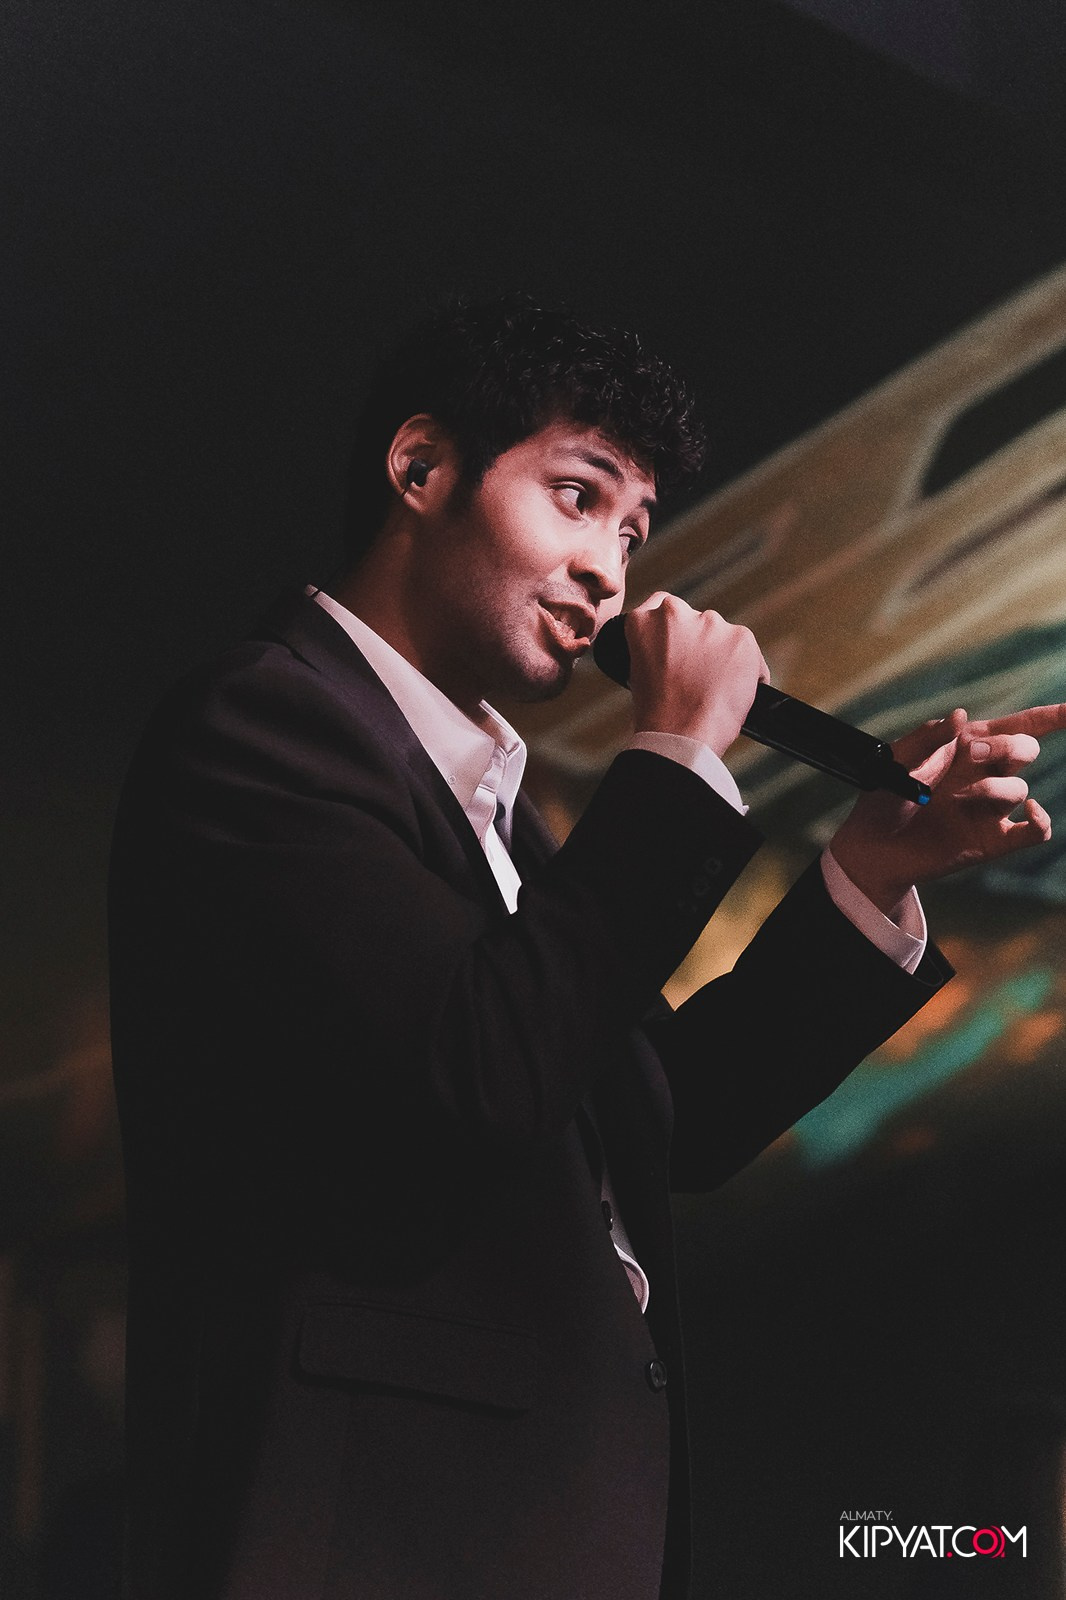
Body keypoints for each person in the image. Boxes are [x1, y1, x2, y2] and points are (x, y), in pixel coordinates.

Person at [108, 295, 1063, 1600]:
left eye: (630, 531)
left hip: (541, 1523)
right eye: (577, 497)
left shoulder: (504, 815)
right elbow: (481, 1068)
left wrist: (874, 865)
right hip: (374, 1533)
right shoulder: (265, 725)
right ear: (421, 469)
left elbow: (669, 1122)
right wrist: (673, 756)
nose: (610, 572)